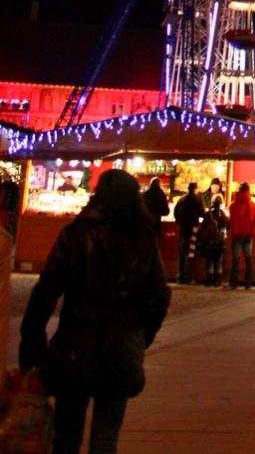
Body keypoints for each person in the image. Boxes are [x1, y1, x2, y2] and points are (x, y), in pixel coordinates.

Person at [19, 168, 170, 454]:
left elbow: (46, 291)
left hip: (75, 343)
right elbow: (159, 296)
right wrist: (141, 335)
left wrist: (32, 343)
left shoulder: (76, 234)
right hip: (121, 346)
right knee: (105, 438)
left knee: (66, 436)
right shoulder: (143, 239)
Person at [228, 181, 255, 289]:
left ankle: (233, 283)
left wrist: (238, 232)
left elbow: (233, 221)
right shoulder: (253, 205)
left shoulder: (233, 205)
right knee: (249, 259)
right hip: (248, 236)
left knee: (236, 259)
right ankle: (248, 283)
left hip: (237, 235)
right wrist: (249, 233)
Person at [173, 181, 205, 283]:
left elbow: (175, 213)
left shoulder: (181, 199)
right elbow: (202, 214)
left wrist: (180, 222)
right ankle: (189, 277)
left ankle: (180, 276)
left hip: (183, 229)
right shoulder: (198, 199)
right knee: (191, 254)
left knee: (181, 253)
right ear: (195, 189)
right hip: (193, 230)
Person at [198, 195, 229, 286]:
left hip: (210, 241)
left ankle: (209, 280)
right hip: (220, 242)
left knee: (210, 261)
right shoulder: (224, 215)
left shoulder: (208, 214)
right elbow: (227, 226)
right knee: (218, 262)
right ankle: (218, 281)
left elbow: (203, 226)